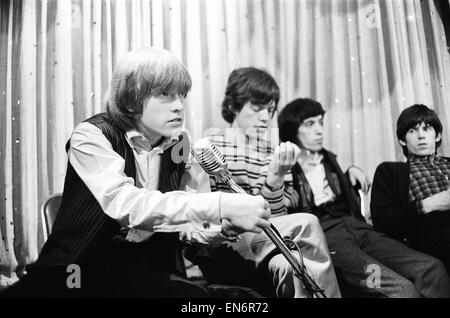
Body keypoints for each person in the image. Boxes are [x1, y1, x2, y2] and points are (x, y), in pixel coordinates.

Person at [1, 48, 271, 298]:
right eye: (165, 94)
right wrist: (220, 204)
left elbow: (190, 229)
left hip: (146, 268)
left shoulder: (181, 143)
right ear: (132, 97)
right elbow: (126, 203)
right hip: (78, 270)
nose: (179, 105)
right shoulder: (93, 134)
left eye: (182, 95)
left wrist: (222, 227)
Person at [186, 67, 341, 298]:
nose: (266, 117)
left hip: (264, 244)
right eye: (257, 108)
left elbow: (277, 223)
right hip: (222, 248)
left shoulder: (276, 153)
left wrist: (276, 177)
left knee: (292, 266)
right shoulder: (208, 147)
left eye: (270, 109)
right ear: (234, 106)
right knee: (308, 223)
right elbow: (200, 220)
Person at [278, 98, 450, 297]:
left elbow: (332, 189)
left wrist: (349, 172)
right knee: (401, 289)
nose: (319, 130)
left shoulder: (328, 160)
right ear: (293, 131)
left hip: (358, 228)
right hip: (325, 236)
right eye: (310, 124)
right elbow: (283, 210)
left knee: (432, 269)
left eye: (320, 123)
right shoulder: (284, 167)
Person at [371, 104, 450, 273]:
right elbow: (382, 222)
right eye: (413, 131)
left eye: (427, 128)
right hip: (431, 236)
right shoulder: (390, 171)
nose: (421, 136)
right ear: (402, 140)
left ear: (437, 136)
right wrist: (429, 204)